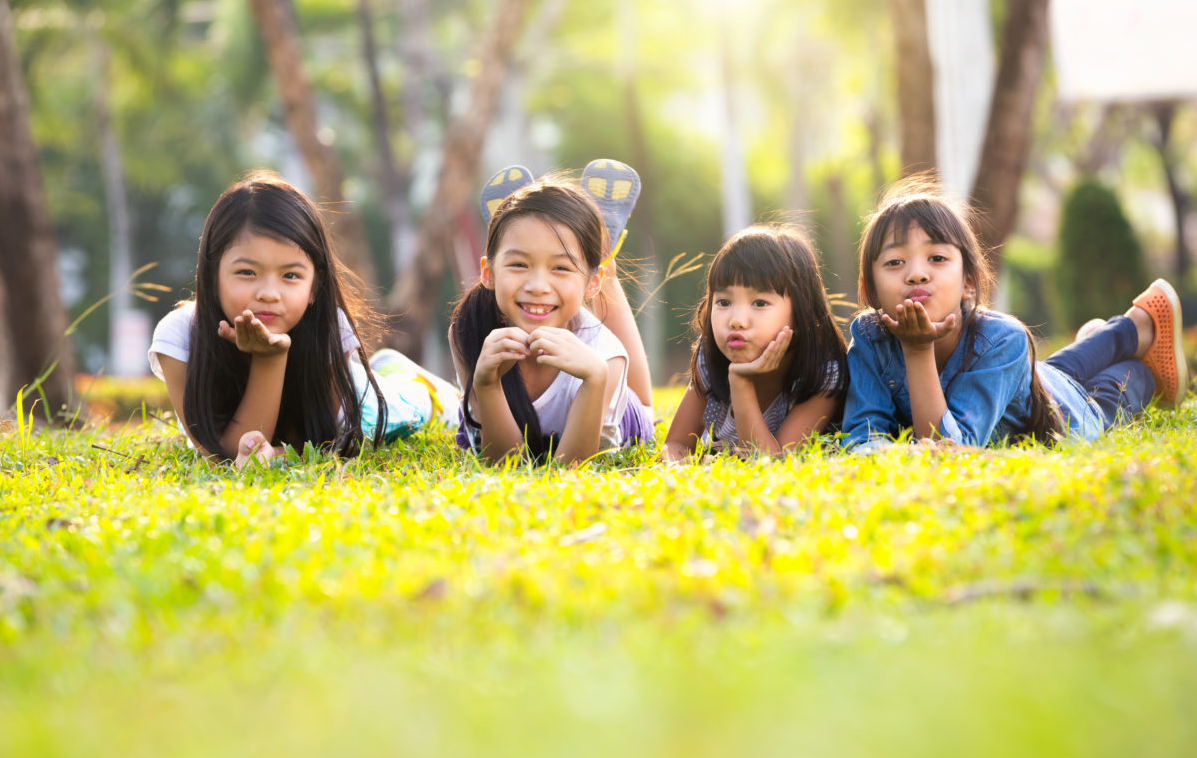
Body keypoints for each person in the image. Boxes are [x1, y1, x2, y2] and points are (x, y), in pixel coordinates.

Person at [840, 176, 1189, 450]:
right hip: (1034, 378)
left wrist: (917, 350)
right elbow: (860, 437)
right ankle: (1118, 332)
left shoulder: (1001, 338)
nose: (916, 273)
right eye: (895, 262)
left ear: (969, 284)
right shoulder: (870, 338)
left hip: (1068, 413)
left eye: (937, 258)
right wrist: (890, 451)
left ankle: (1136, 337)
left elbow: (945, 448)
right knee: (1049, 372)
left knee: (1122, 385)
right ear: (870, 291)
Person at [148, 170, 454, 467]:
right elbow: (222, 457)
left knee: (416, 408)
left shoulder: (327, 328)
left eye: (290, 275)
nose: (269, 293)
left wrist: (272, 358)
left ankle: (415, 382)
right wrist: (270, 360)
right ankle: (385, 367)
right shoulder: (179, 336)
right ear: (212, 275)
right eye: (247, 272)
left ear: (314, 286)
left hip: (365, 406)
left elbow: (332, 442)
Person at [449, 160, 654, 463]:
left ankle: (602, 254)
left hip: (613, 414)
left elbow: (571, 470)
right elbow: (505, 464)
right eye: (519, 264)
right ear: (488, 273)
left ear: (590, 284)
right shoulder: (469, 331)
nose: (537, 286)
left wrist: (594, 379)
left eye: (560, 267)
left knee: (645, 407)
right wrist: (487, 384)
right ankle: (568, 239)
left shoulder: (604, 357)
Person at [661, 224, 849, 460]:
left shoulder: (823, 374)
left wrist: (740, 382)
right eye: (724, 302)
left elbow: (771, 464)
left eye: (760, 303)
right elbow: (677, 443)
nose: (737, 321)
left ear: (801, 312)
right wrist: (677, 472)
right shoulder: (710, 357)